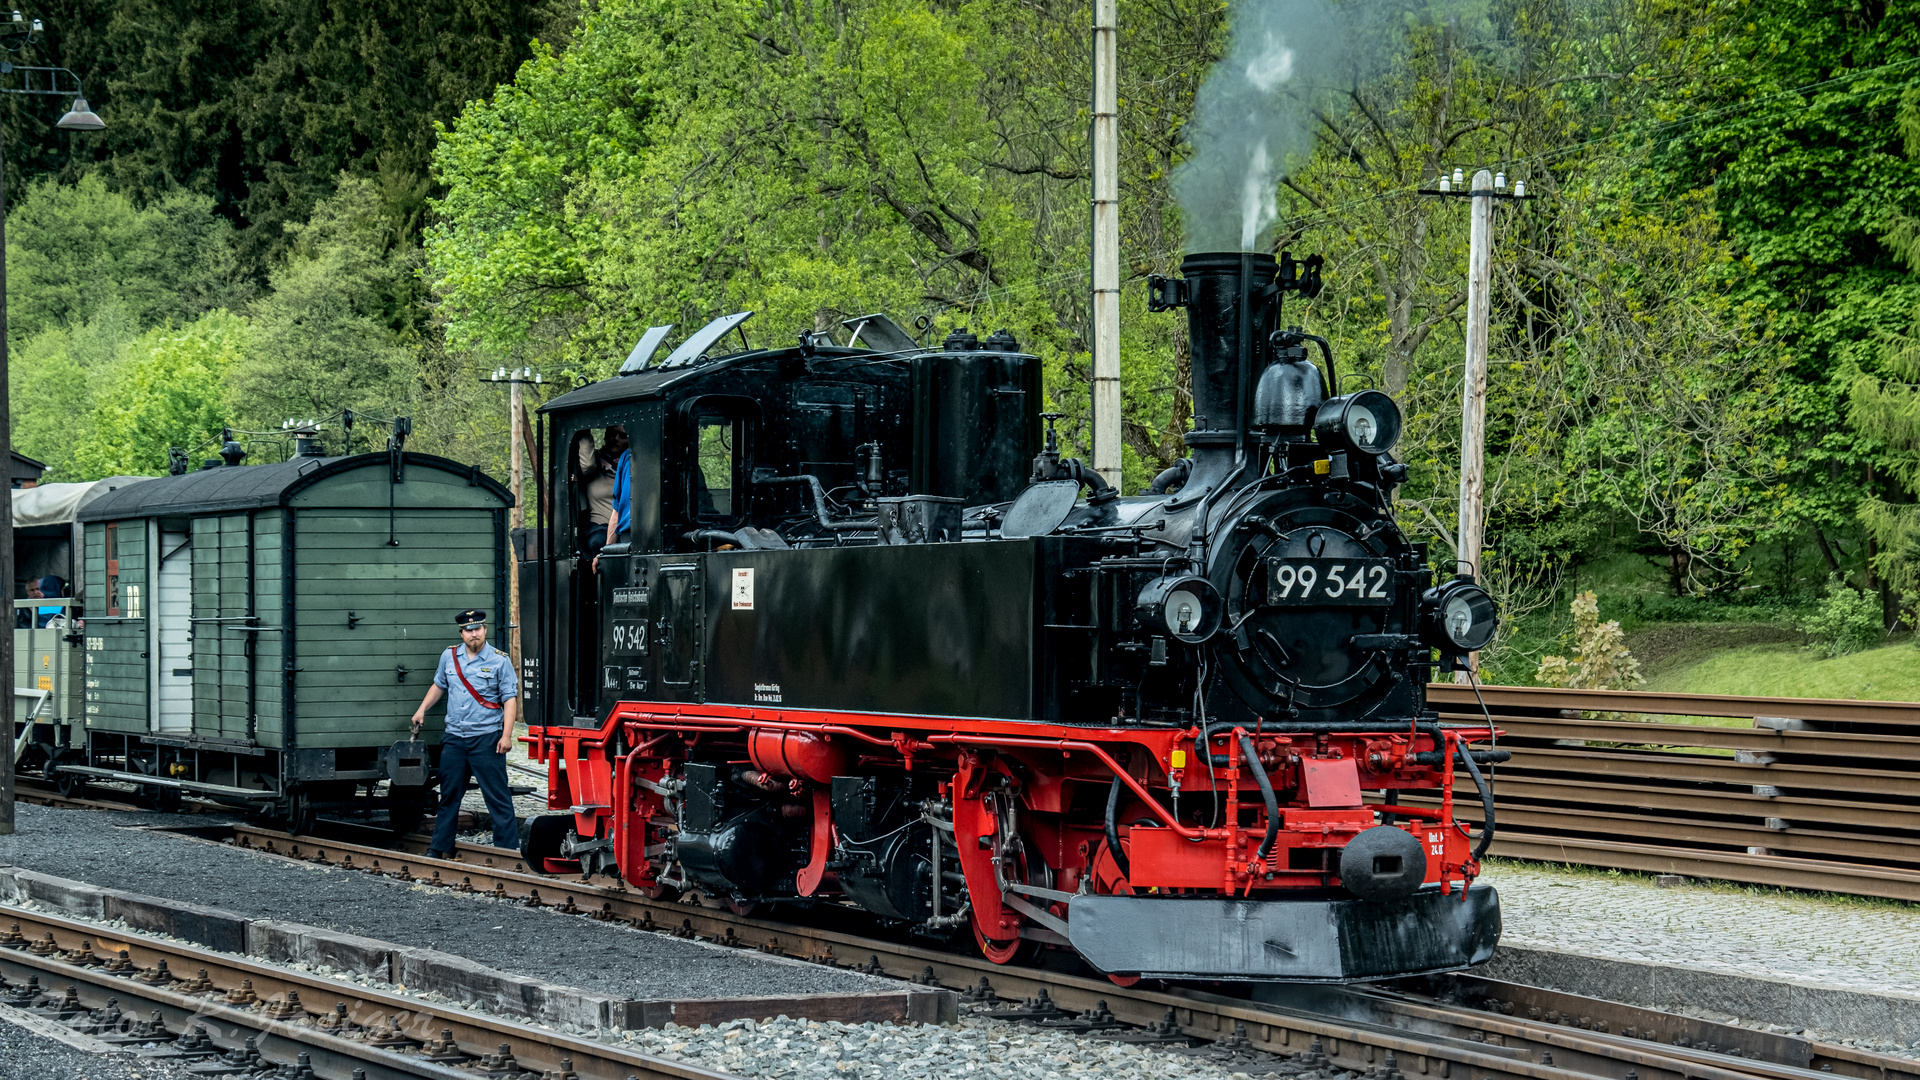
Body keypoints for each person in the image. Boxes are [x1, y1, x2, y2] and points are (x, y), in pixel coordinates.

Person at [411, 609, 521, 855]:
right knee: (449, 797)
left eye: (479, 629)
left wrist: (506, 735)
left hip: (487, 739)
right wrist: (422, 710)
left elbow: (510, 700)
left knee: (498, 798)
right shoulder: (449, 657)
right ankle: (439, 849)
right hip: (455, 740)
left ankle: (508, 851)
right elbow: (439, 685)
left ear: (485, 630)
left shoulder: (499, 660)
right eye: (469, 630)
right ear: (461, 633)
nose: (475, 634)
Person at [574, 426, 627, 557]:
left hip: (626, 529)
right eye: (612, 433)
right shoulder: (594, 465)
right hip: (599, 528)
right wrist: (584, 429)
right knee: (598, 542)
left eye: (622, 436)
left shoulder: (632, 467)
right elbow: (587, 465)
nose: (615, 438)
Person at [592, 441, 633, 575]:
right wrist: (607, 551)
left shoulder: (627, 456)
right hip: (628, 540)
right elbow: (617, 510)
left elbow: (616, 511)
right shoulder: (626, 457)